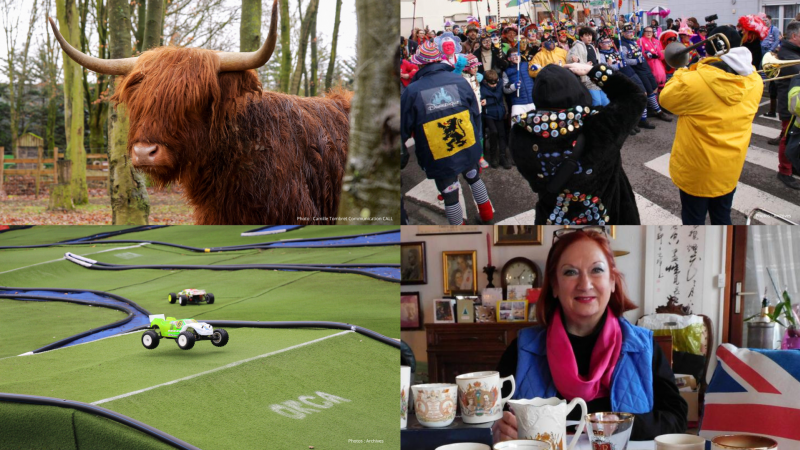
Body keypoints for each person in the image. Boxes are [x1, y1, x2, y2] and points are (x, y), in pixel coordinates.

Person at [492, 227, 688, 443]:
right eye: (570, 272)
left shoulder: (644, 347)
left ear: (612, 281)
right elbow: (493, 416)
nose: (585, 284)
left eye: (596, 270)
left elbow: (676, 419)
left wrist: (619, 425)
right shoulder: (523, 349)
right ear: (555, 286)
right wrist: (499, 429)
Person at [509, 61, 645, 225]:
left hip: (554, 216)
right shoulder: (600, 126)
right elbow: (634, 96)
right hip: (607, 215)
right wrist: (593, 70)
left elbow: (533, 180)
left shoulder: (520, 132)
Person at [659, 26, 764, 224]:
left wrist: (685, 68)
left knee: (693, 219)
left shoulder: (692, 81)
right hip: (730, 167)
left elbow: (666, 99)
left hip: (697, 170)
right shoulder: (756, 80)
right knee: (722, 215)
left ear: (707, 50)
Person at [401, 41, 496, 225]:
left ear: (419, 64)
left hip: (439, 155)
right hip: (467, 144)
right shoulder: (459, 80)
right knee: (474, 178)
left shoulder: (412, 91)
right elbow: (475, 112)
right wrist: (477, 140)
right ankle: (487, 215)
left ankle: (459, 227)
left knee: (450, 193)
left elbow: (403, 128)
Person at [619, 23, 672, 125]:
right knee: (648, 91)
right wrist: (637, 60)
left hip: (646, 67)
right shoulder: (623, 45)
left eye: (631, 32)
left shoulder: (634, 41)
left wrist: (645, 55)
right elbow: (625, 60)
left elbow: (641, 52)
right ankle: (657, 111)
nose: (630, 33)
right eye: (627, 32)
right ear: (623, 33)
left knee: (654, 87)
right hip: (638, 69)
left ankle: (651, 109)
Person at [774, 21, 800, 189]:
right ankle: (784, 171)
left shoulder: (792, 52)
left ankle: (793, 164)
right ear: (794, 36)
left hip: (793, 101)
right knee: (787, 136)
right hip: (789, 103)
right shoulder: (787, 54)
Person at [568, 27, 609, 107]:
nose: (589, 37)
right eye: (586, 35)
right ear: (581, 37)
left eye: (590, 35)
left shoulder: (592, 46)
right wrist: (577, 60)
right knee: (597, 103)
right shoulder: (577, 46)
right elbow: (570, 57)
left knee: (606, 102)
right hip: (587, 78)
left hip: (597, 76)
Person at [481, 70, 509, 169]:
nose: (493, 85)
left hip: (499, 112)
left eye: (495, 83)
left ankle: (502, 155)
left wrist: (488, 100)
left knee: (502, 134)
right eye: (491, 84)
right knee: (493, 132)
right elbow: (485, 95)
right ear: (485, 81)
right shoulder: (482, 86)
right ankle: (493, 156)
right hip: (489, 113)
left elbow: (498, 95)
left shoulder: (499, 82)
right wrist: (492, 99)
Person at [762, 15, 781, 119]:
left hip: (770, 51)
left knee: (773, 84)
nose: (765, 21)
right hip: (763, 50)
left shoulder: (775, 29)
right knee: (762, 69)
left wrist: (771, 50)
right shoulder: (764, 29)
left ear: (770, 20)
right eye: (763, 20)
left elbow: (777, 40)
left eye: (766, 20)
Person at [639, 26, 667, 90]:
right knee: (652, 85)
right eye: (647, 31)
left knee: (661, 84)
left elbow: (662, 55)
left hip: (658, 65)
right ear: (644, 32)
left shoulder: (657, 41)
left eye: (650, 31)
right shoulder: (641, 41)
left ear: (652, 33)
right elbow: (641, 53)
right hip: (648, 65)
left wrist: (659, 55)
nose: (649, 33)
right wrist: (649, 55)